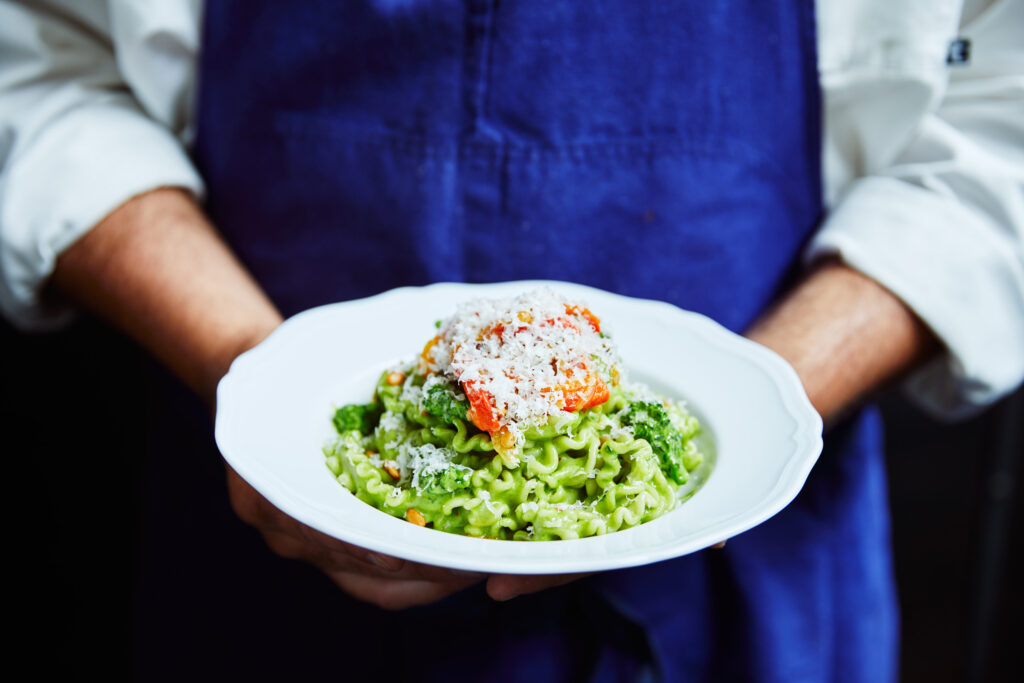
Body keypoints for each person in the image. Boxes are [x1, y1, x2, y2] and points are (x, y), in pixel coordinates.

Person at [2, 0, 1022, 680]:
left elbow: (996, 127)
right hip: (261, 547)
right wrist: (256, 379)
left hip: (743, 585)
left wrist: (756, 409)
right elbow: (38, 69)